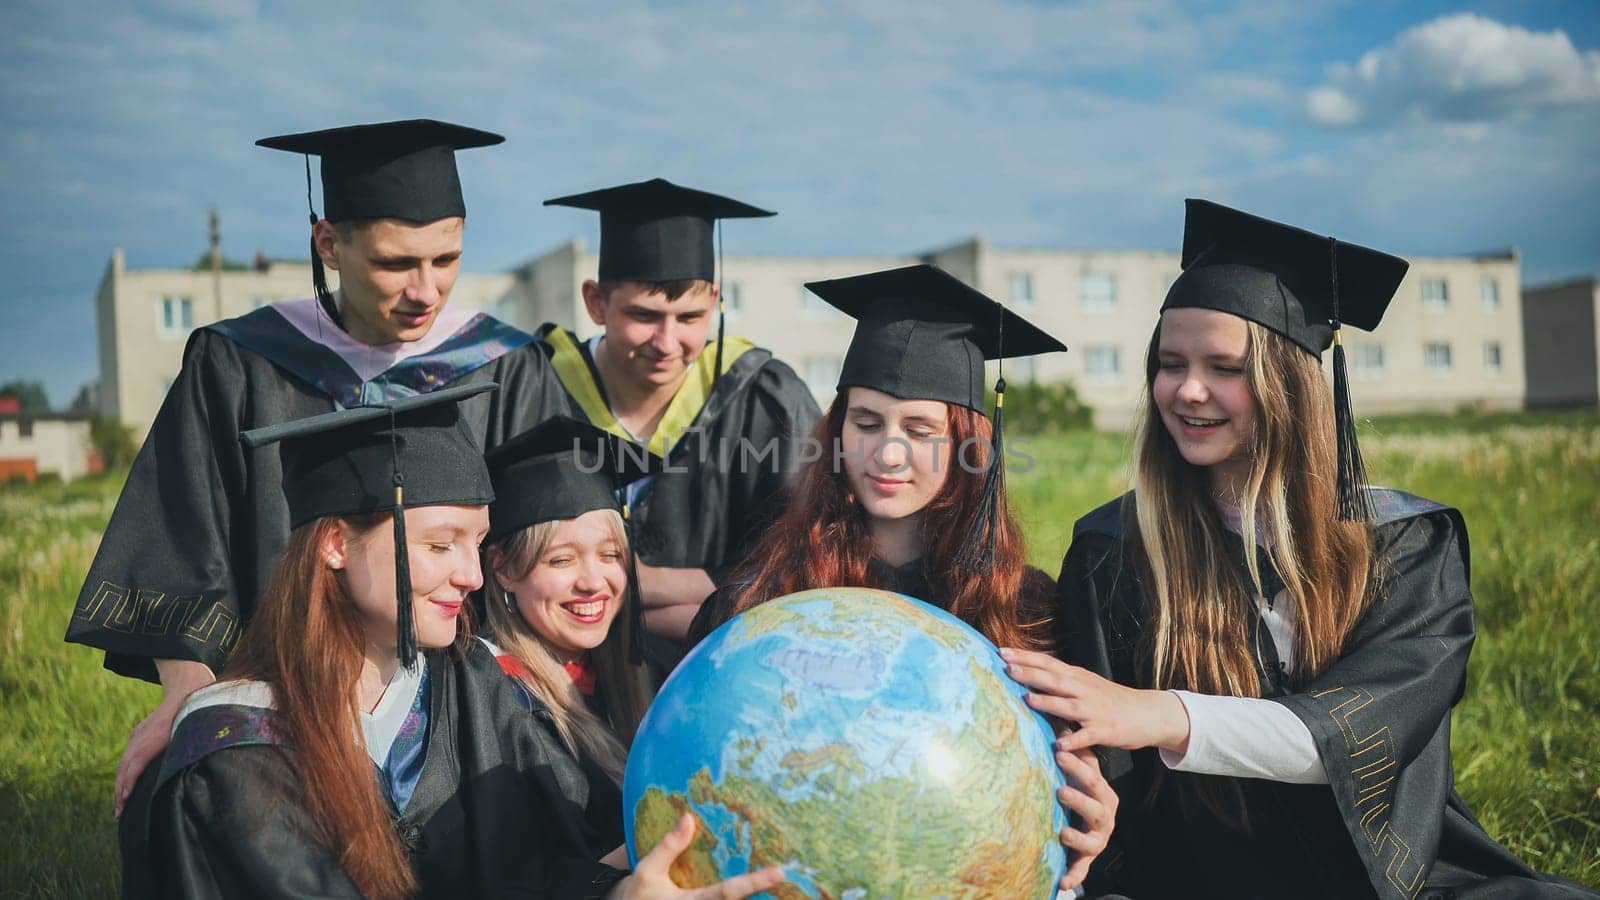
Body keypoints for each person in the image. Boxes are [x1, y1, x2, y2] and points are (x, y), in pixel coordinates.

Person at [1006, 200, 1597, 898]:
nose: (1188, 390)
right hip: (1197, 880)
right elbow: (1103, 772)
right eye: (1170, 363)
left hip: (1383, 875)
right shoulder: (1116, 552)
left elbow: (1359, 731)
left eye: (1223, 366)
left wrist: (1161, 711)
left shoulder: (1403, 546)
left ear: (1287, 385)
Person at [66, 119, 563, 816]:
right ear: (328, 243)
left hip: (466, 694)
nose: (427, 290)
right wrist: (187, 693)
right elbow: (182, 534)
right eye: (395, 264)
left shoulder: (504, 365)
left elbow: (549, 536)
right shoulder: (240, 363)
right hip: (290, 686)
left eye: (446, 258)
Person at [120, 385, 783, 899]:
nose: (470, 575)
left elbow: (553, 869)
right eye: (440, 544)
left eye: (476, 542)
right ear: (333, 544)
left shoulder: (485, 689)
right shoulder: (236, 751)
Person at [687, 264, 1119, 894]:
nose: (888, 453)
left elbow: (1076, 791)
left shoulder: (1027, 609)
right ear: (837, 434)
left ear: (969, 446)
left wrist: (1102, 814)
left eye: (920, 431)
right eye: (866, 424)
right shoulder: (761, 600)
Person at [539, 178, 821, 642]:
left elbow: (799, 558)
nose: (667, 343)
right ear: (595, 302)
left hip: (710, 667)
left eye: (689, 318)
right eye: (644, 316)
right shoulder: (532, 387)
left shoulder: (765, 397)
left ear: (714, 301)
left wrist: (646, 587)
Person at [479, 415, 663, 852]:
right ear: (503, 569)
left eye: (610, 555)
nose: (593, 582)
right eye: (561, 561)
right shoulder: (485, 697)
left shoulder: (646, 672)